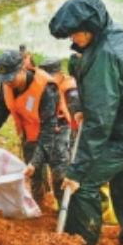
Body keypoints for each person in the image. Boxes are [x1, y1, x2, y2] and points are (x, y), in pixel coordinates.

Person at [49, 0, 123, 245]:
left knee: (83, 184)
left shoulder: (106, 55)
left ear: (91, 27)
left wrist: (77, 170)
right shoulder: (117, 33)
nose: (73, 40)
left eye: (76, 34)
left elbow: (99, 123)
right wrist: (81, 110)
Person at [0, 50, 59, 205]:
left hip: (55, 131)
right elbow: (0, 109)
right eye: (4, 79)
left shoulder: (45, 88)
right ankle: (38, 205)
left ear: (22, 69)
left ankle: (63, 209)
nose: (8, 82)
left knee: (59, 171)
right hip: (30, 131)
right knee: (33, 173)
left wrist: (37, 160)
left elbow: (49, 128)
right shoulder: (6, 86)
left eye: (11, 77)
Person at [39, 58, 81, 206]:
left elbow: (76, 111)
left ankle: (65, 203)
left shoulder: (70, 88)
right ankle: (49, 197)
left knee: (60, 166)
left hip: (65, 127)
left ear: (60, 73)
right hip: (48, 126)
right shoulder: (43, 85)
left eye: (51, 75)